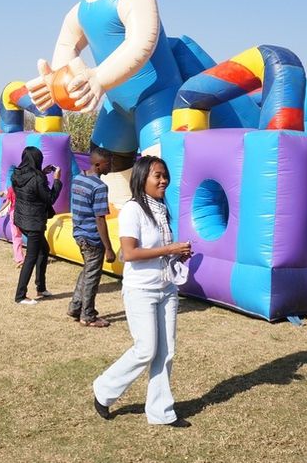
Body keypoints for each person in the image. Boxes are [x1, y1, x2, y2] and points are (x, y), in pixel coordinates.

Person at [27, 0, 183, 201]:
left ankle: (166, 229)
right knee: (104, 164)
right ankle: (122, 222)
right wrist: (58, 85)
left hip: (156, 98)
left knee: (161, 170)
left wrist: (98, 78)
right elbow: (66, 48)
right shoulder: (79, 12)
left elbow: (141, 43)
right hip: (118, 107)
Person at [93, 156, 192, 427]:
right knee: (146, 350)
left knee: (166, 351)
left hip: (166, 288)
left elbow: (159, 252)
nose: (164, 181)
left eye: (165, 175)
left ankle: (161, 412)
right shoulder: (132, 210)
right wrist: (170, 249)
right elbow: (130, 253)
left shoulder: (161, 208)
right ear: (141, 178)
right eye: (157, 176)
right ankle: (104, 389)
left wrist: (177, 256)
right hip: (141, 291)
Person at [68, 147, 116, 327]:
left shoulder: (78, 179)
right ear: (97, 165)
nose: (111, 166)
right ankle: (88, 315)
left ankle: (75, 307)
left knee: (87, 271)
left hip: (79, 233)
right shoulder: (100, 187)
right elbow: (100, 219)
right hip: (92, 238)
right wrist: (109, 249)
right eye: (108, 163)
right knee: (92, 277)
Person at [11, 146, 63, 305]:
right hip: (34, 223)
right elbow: (50, 198)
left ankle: (41, 287)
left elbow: (31, 186)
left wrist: (43, 172)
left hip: (21, 220)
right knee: (31, 258)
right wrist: (56, 180)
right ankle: (20, 295)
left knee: (44, 250)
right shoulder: (37, 178)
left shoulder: (17, 174)